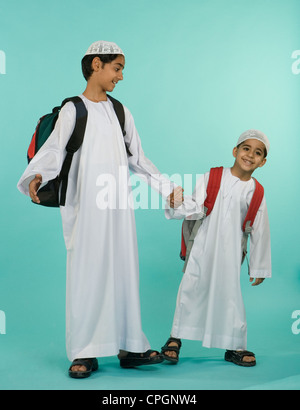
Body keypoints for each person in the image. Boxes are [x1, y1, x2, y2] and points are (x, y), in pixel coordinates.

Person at [17, 40, 183, 378]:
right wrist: (36, 176)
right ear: (96, 65)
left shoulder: (121, 111)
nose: (121, 76)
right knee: (86, 276)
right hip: (85, 210)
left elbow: (138, 158)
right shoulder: (73, 110)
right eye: (117, 67)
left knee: (124, 272)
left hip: (119, 209)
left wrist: (167, 188)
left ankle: (130, 346)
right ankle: (84, 352)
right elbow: (52, 152)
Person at [161, 130, 271, 367]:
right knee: (190, 288)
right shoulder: (213, 176)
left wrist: (259, 267)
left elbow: (260, 229)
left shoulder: (257, 191)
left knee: (230, 296)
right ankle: (175, 338)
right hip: (202, 246)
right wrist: (175, 204)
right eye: (246, 148)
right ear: (235, 151)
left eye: (257, 153)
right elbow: (194, 206)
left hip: (230, 254)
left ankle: (234, 346)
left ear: (262, 162)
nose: (250, 155)